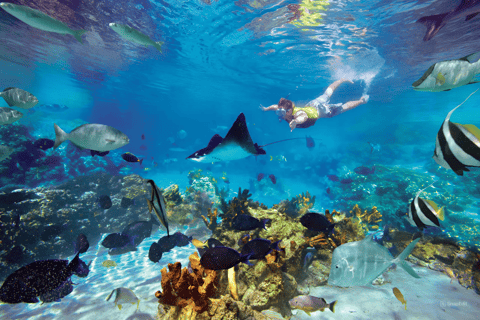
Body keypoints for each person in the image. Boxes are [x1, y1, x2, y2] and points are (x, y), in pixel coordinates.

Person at [261, 79, 369, 132]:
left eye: (282, 112)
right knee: (327, 93)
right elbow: (274, 106)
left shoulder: (298, 114)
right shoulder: (284, 109)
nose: (280, 114)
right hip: (313, 104)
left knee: (344, 108)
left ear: (289, 110)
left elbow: (302, 117)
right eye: (279, 111)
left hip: (322, 111)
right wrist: (266, 109)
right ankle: (341, 80)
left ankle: (361, 101)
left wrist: (295, 122)